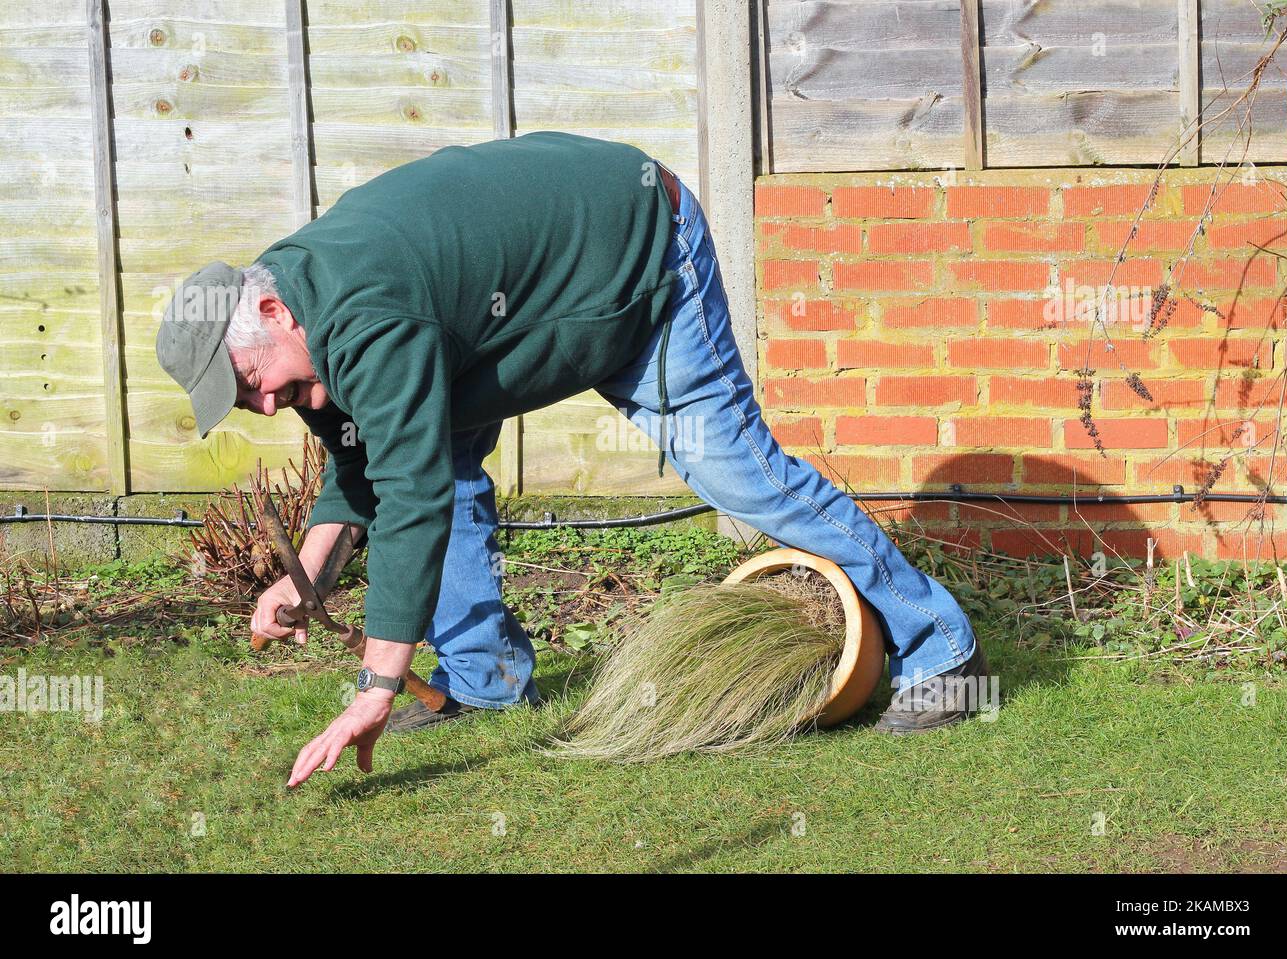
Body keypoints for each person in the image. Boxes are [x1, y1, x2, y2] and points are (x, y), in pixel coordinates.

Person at [154, 132, 986, 788]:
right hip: (526, 300)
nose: (263, 407)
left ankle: (942, 650)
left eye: (252, 384)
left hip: (634, 254)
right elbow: (361, 462)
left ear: (271, 311)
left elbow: (409, 497)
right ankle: (485, 679)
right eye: (244, 402)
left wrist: (377, 688)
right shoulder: (306, 315)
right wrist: (306, 576)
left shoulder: (365, 315)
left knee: (736, 473)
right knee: (434, 457)